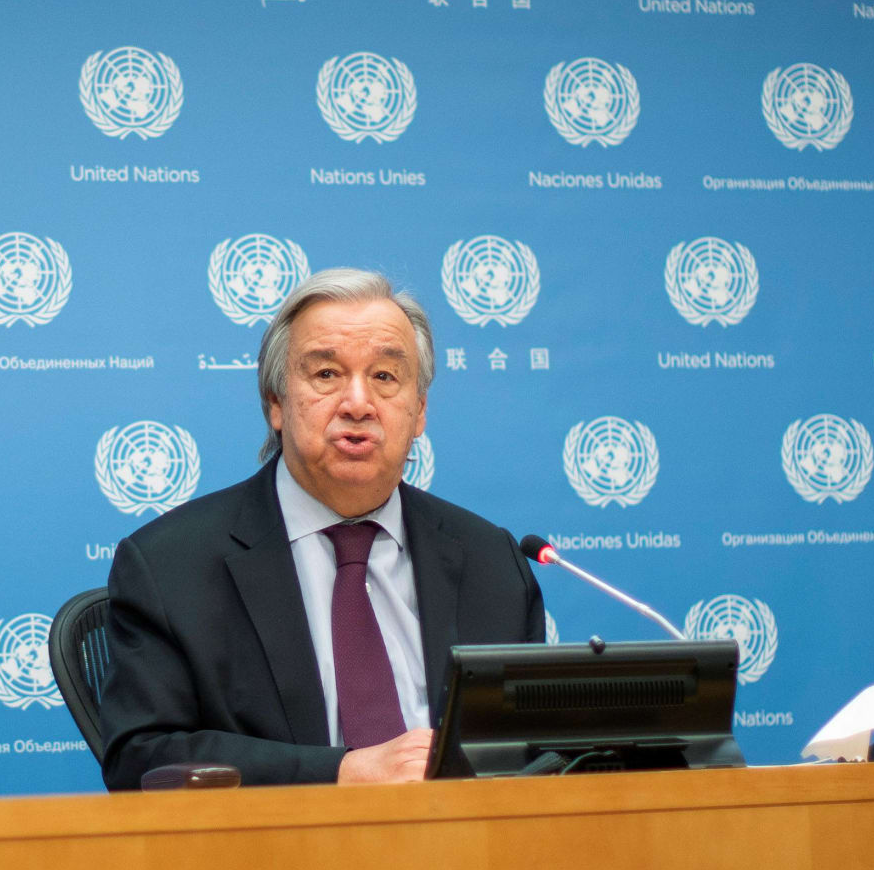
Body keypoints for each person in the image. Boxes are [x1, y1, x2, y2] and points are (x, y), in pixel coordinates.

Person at [97, 268, 544, 789]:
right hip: (273, 858)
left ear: (419, 411)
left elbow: (532, 750)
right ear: (276, 404)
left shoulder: (491, 560)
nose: (358, 404)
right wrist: (342, 772)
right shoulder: (171, 565)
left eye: (385, 377)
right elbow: (142, 757)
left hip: (466, 856)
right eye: (327, 374)